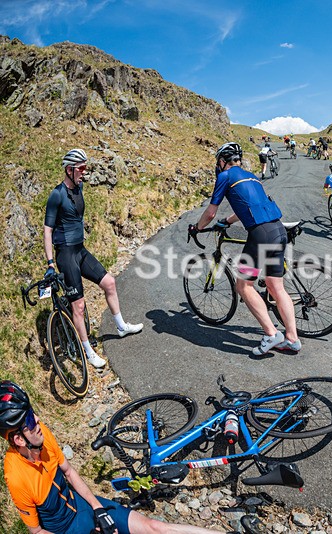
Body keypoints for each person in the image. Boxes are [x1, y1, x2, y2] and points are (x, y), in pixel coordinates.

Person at [0, 380, 222, 534]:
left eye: (32, 413)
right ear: (19, 440)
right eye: (29, 420)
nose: (37, 420)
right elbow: (36, 530)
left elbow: (68, 471)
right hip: (65, 529)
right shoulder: (16, 476)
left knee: (156, 528)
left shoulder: (41, 434)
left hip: (81, 504)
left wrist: (98, 509)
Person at [190, 143, 301, 355]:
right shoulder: (251, 176)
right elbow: (249, 205)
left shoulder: (224, 176)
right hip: (277, 229)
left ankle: (271, 334)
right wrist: (229, 221)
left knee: (244, 286)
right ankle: (292, 339)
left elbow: (210, 213)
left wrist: (197, 227)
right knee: (276, 286)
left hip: (261, 235)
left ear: (222, 161)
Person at [44, 149, 143, 369]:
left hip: (80, 250)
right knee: (78, 306)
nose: (84, 172)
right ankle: (88, 351)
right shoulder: (57, 194)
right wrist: (51, 263)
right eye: (81, 168)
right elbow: (48, 230)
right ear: (68, 169)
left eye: (85, 168)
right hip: (66, 254)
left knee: (109, 282)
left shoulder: (79, 188)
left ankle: (120, 326)